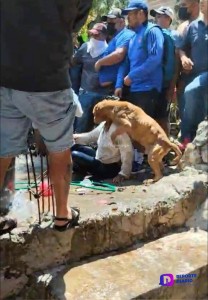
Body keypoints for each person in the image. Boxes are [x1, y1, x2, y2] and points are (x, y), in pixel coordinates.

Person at [0, 0, 92, 235]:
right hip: (49, 79)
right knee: (60, 150)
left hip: (6, 77)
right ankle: (62, 215)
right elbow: (74, 23)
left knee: (3, 150)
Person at [117, 0, 164, 119]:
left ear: (141, 14)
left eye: (131, 14)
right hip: (135, 90)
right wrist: (119, 85)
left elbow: (154, 59)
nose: (128, 18)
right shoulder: (133, 37)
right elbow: (126, 62)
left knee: (144, 133)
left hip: (149, 90)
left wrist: (132, 76)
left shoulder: (153, 31)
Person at [178, 0, 208, 148]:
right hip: (195, 75)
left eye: (205, 1)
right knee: (190, 101)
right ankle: (188, 139)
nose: (202, 3)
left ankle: (187, 135)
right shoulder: (194, 26)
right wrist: (184, 58)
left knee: (191, 91)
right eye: (201, 1)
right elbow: (182, 47)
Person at [72, 23, 111, 133]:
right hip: (85, 93)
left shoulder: (109, 51)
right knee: (80, 126)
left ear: (104, 36)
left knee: (98, 129)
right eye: (92, 35)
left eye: (97, 35)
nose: (94, 38)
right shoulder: (85, 47)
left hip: (102, 95)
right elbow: (74, 63)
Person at [94, 8, 135, 98]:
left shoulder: (126, 34)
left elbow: (119, 55)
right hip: (109, 88)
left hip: (117, 88)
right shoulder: (115, 37)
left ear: (122, 21)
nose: (109, 24)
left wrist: (100, 62)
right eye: (108, 22)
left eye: (112, 21)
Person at [150, 7, 176, 135]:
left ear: (169, 19)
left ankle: (164, 148)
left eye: (162, 16)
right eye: (157, 16)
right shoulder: (160, 34)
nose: (158, 19)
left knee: (159, 117)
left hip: (160, 84)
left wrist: (170, 87)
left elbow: (170, 63)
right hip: (160, 84)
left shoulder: (166, 36)